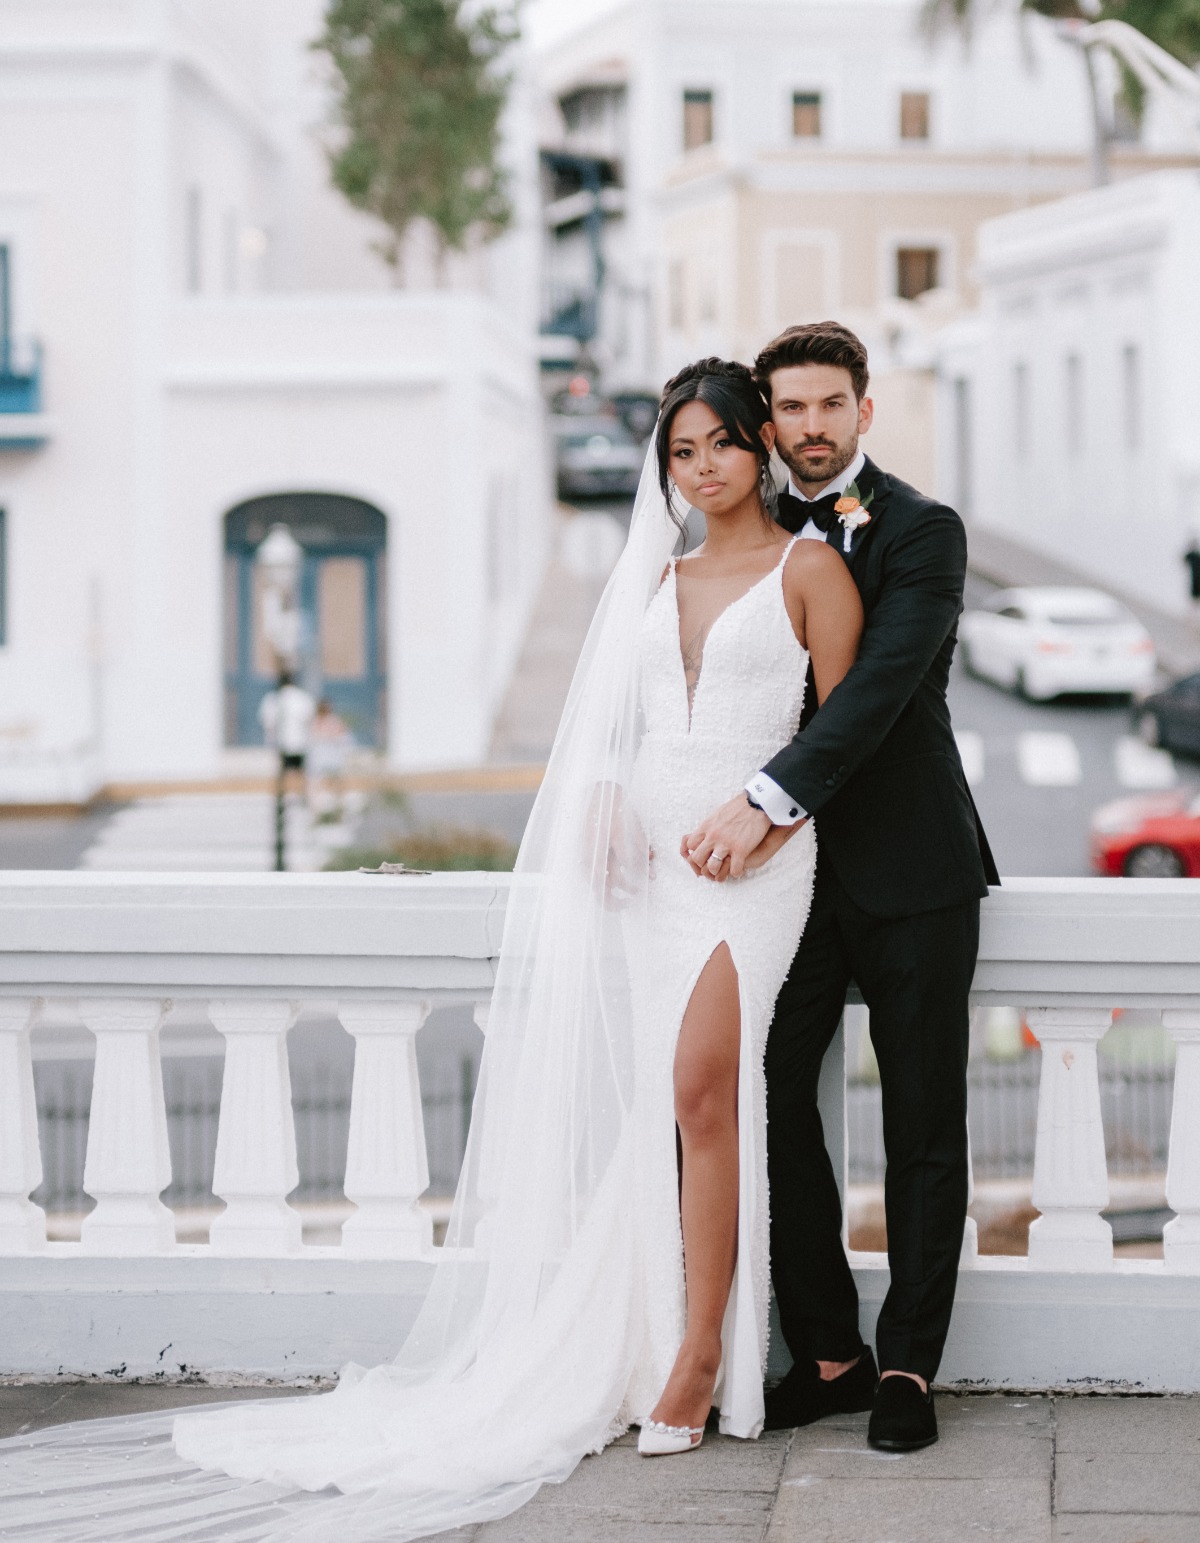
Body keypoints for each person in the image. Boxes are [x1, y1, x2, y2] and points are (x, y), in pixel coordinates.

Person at [0, 358, 863, 1539]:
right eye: (680, 450)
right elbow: (617, 725)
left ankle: (702, 1352)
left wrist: (766, 820)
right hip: (653, 858)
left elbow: (842, 739)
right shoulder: (653, 578)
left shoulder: (810, 568)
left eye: (718, 442)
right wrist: (609, 797)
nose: (701, 466)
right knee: (669, 1105)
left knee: (704, 1086)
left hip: (753, 865)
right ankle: (664, 1327)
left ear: (760, 442)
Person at [681, 320, 998, 1455]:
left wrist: (765, 799)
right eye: (791, 409)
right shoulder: (746, 537)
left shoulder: (924, 532)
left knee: (923, 1118)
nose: (810, 428)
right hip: (791, 886)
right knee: (755, 1092)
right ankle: (828, 1350)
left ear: (865, 410)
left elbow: (873, 692)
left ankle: (910, 1360)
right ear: (768, 422)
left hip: (912, 868)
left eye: (831, 405)